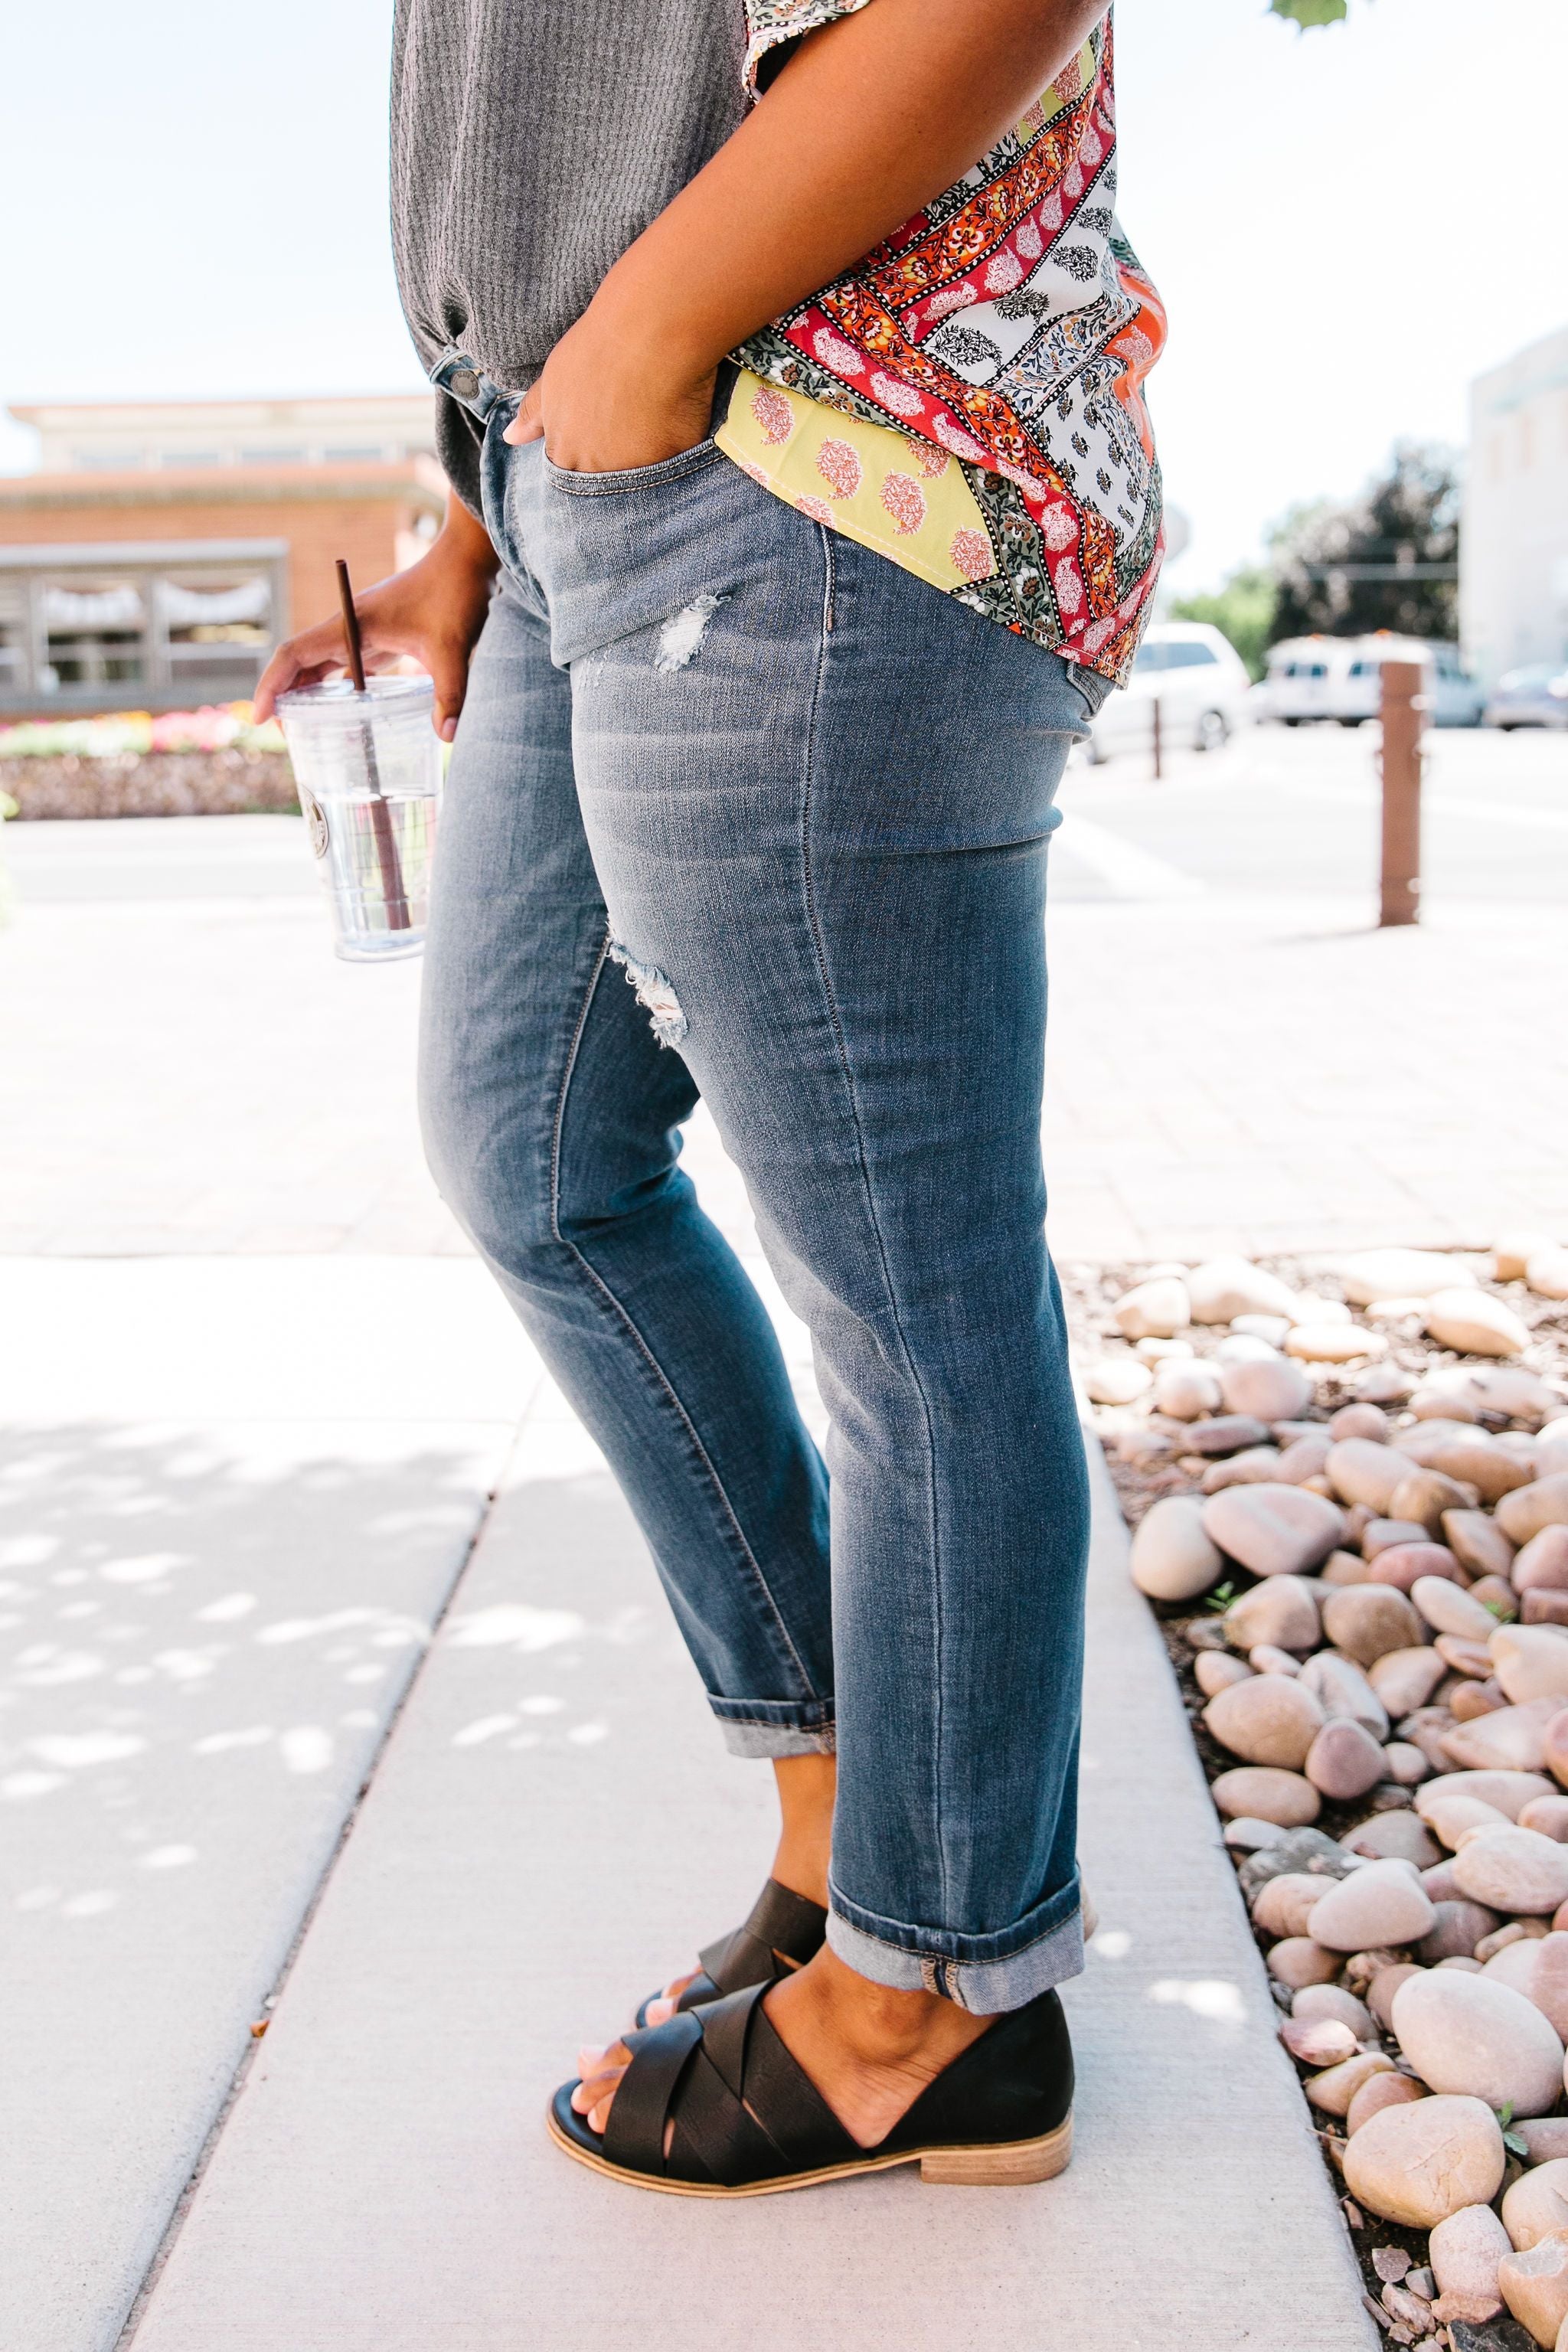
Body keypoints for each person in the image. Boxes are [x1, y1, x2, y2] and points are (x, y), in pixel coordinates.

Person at [255, 0, 1164, 2197]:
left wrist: (645, 346)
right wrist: (483, 497)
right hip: (579, 481)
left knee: (905, 1290)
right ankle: (859, 1830)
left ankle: (937, 2000)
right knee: (532, 1153)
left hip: (824, 447)